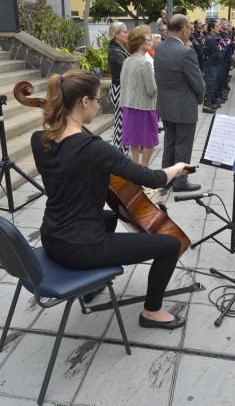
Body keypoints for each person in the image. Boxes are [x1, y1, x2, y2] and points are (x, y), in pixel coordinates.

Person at [31, 69, 193, 329]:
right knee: (169, 246)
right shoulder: (94, 149)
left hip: (52, 236)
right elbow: (152, 178)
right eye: (98, 99)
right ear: (84, 102)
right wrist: (176, 168)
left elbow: (70, 176)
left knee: (107, 216)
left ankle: (90, 283)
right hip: (79, 247)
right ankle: (152, 312)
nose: (100, 104)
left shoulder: (39, 140)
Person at [154, 14, 205, 192]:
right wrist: (200, 99)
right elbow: (198, 83)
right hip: (184, 106)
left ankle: (166, 180)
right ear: (183, 29)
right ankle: (181, 182)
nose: (191, 31)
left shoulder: (159, 48)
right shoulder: (186, 52)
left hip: (166, 105)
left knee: (170, 142)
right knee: (184, 145)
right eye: (190, 28)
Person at [119, 25, 158, 166]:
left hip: (129, 106)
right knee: (149, 141)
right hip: (145, 107)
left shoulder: (127, 61)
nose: (151, 41)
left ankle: (135, 168)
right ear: (140, 41)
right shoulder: (145, 63)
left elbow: (124, 84)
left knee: (134, 140)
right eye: (148, 38)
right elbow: (152, 89)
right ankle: (144, 169)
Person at [108, 21, 129, 155]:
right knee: (120, 122)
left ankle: (121, 151)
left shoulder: (119, 48)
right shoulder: (115, 51)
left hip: (120, 88)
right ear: (116, 34)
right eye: (124, 31)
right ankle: (120, 153)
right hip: (119, 88)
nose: (127, 34)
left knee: (122, 121)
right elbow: (125, 70)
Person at [202, 19, 222, 113]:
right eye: (217, 26)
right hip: (210, 64)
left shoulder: (214, 37)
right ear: (212, 28)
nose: (219, 28)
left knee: (212, 84)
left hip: (214, 64)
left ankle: (209, 104)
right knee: (209, 85)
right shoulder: (210, 38)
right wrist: (220, 53)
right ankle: (206, 107)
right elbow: (217, 52)